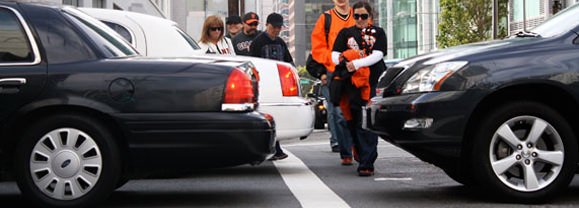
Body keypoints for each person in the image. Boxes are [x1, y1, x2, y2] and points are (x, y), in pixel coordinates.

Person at [331, 1, 386, 176]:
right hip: (351, 84)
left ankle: (367, 162)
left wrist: (356, 63)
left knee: (367, 121)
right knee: (353, 121)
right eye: (356, 16)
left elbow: (378, 54)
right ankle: (359, 151)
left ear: (370, 16)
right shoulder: (345, 32)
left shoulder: (378, 32)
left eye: (364, 16)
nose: (360, 19)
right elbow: (334, 54)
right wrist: (345, 62)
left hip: (372, 83)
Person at [311, 0, 356, 164]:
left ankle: (355, 146)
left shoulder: (358, 15)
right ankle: (346, 151)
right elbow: (317, 47)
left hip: (356, 71)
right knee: (338, 114)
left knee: (356, 110)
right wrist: (331, 63)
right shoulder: (326, 18)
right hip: (335, 72)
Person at [249, 13, 293, 161]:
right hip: (264, 85)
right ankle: (272, 148)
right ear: (267, 25)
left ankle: (275, 148)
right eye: (274, 27)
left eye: (279, 27)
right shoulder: (258, 42)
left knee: (277, 117)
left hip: (279, 86)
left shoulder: (281, 42)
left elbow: (289, 63)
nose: (276, 30)